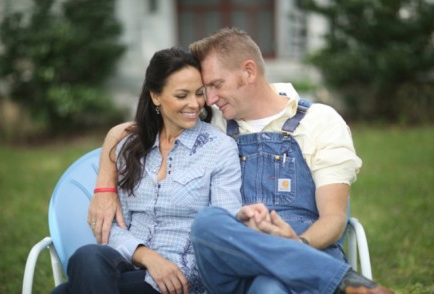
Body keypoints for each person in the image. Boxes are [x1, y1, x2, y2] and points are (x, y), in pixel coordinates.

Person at [88, 28, 393, 294]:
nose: (206, 100)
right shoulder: (215, 123)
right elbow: (133, 130)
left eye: (215, 85)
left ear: (248, 72)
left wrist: (296, 242)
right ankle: (346, 283)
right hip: (231, 264)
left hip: (306, 249)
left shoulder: (318, 121)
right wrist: (104, 184)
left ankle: (329, 276)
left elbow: (334, 219)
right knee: (208, 223)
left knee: (268, 288)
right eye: (203, 90)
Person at [52, 47, 242, 294]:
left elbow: (223, 226)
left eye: (199, 93)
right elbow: (113, 226)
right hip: (130, 265)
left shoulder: (219, 149)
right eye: (182, 95)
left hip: (181, 277)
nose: (194, 104)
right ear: (156, 96)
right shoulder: (131, 146)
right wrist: (148, 258)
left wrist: (168, 265)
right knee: (87, 256)